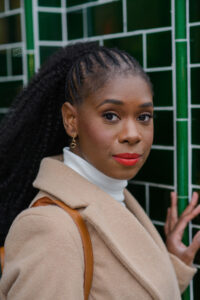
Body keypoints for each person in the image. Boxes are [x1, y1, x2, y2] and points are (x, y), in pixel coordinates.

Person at [0, 42, 200, 300]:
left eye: (143, 117)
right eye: (110, 116)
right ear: (71, 121)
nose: (132, 135)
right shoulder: (51, 229)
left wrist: (169, 263)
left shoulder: (114, 193)